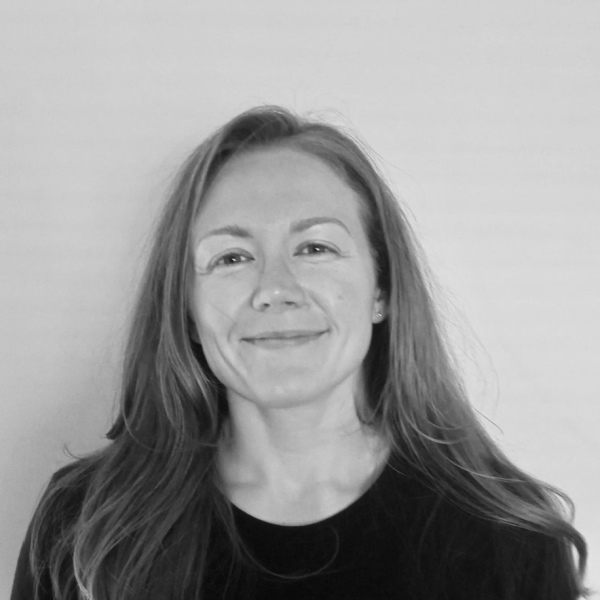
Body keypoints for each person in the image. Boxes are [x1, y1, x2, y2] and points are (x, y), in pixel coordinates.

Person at [12, 105, 590, 600]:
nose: (275, 289)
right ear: (185, 310)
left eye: (315, 248)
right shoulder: (86, 530)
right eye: (231, 258)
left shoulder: (510, 541)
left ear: (382, 289)